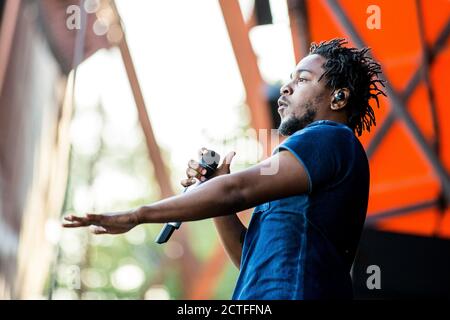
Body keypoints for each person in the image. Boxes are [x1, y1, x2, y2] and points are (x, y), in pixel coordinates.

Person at [63, 38, 385, 299]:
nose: (286, 88)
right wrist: (218, 192)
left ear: (339, 97)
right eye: (289, 79)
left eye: (302, 80)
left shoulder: (330, 138)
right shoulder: (313, 163)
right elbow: (250, 260)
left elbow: (237, 191)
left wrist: (138, 215)